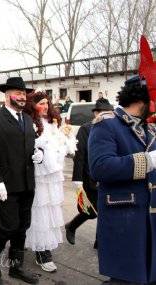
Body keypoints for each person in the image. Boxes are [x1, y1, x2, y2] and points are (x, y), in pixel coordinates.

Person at [89, 75, 156, 284]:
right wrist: (149, 160)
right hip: (123, 216)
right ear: (142, 100)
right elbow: (100, 167)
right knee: (126, 279)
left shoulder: (149, 129)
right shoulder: (107, 124)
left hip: (149, 218)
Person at [0, 77, 42, 283]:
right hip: (5, 185)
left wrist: (38, 154)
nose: (22, 97)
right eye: (18, 93)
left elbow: (29, 146)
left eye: (24, 94)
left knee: (22, 226)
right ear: (7, 96)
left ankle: (16, 267)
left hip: (26, 183)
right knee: (8, 226)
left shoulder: (27, 119)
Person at [23, 90, 77, 273]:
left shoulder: (53, 123)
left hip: (53, 174)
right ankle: (42, 251)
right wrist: (37, 153)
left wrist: (67, 140)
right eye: (41, 103)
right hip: (39, 175)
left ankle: (39, 245)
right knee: (39, 211)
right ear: (32, 105)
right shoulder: (29, 123)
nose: (45, 107)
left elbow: (59, 145)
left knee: (51, 209)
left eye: (47, 103)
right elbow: (27, 146)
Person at [65, 98, 113, 249]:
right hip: (89, 177)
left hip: (107, 177)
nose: (107, 117)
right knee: (91, 211)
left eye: (110, 114)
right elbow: (79, 157)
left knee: (105, 210)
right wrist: (78, 180)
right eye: (103, 113)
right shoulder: (86, 129)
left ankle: (100, 241)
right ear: (96, 114)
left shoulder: (113, 129)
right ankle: (71, 226)